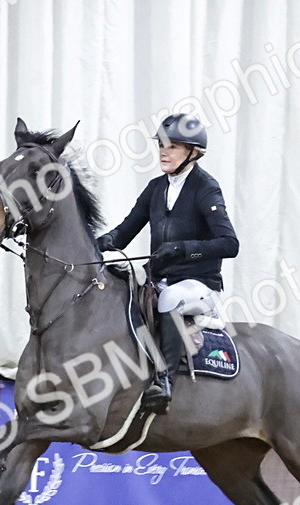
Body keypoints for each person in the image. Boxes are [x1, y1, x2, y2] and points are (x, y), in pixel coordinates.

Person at [95, 114, 239, 414]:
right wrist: (100, 242)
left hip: (199, 286)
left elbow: (229, 244)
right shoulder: (155, 188)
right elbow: (125, 230)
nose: (163, 151)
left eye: (172, 146)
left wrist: (184, 250)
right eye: (161, 144)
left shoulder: (206, 188)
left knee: (171, 299)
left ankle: (165, 381)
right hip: (159, 280)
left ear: (193, 152)